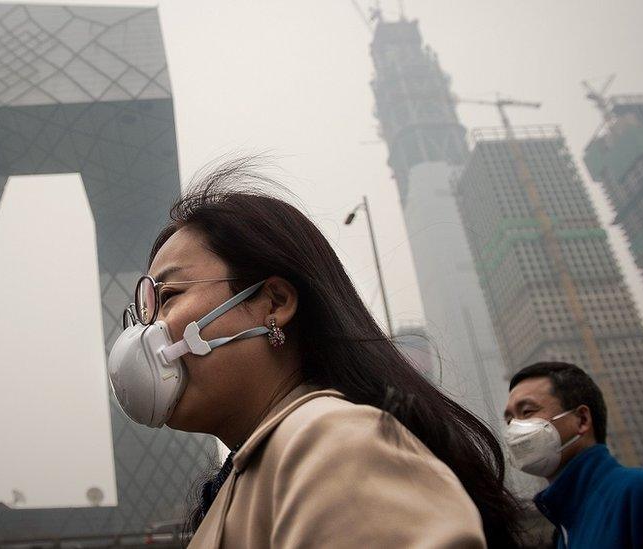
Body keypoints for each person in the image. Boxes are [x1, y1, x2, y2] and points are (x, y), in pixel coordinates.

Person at [106, 158, 523, 548]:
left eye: (170, 295)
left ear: (274, 303)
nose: (148, 332)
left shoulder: (335, 444)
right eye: (145, 311)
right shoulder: (246, 479)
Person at [504, 361, 643, 548]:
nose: (515, 428)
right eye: (509, 420)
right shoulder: (564, 530)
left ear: (582, 420)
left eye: (527, 411)